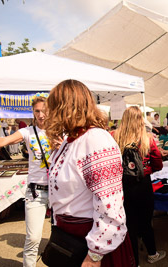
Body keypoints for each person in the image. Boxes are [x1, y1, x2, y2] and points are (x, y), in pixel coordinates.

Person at [45, 80, 134, 266]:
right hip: (71, 238)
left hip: (93, 244)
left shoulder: (95, 140)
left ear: (65, 107)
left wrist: (94, 255)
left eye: (52, 106)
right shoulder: (70, 141)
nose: (49, 113)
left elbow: (110, 206)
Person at [0, 95, 53, 267]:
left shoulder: (60, 132)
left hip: (59, 191)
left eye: (44, 111)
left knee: (61, 237)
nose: (41, 115)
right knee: (33, 238)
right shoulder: (28, 132)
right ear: (33, 112)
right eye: (37, 111)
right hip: (36, 191)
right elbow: (5, 140)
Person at [112, 106, 166, 265]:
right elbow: (158, 164)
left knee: (129, 225)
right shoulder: (147, 139)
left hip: (123, 185)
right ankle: (152, 254)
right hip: (143, 184)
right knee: (146, 222)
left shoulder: (114, 136)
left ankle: (133, 261)